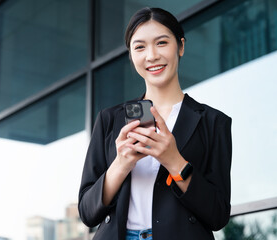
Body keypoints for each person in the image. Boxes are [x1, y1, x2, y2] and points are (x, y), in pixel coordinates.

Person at [78, 7, 232, 240]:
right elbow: (87, 213)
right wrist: (121, 164)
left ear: (180, 46)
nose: (151, 56)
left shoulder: (213, 122)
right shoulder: (109, 120)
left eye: (161, 43)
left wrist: (175, 161)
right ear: (131, 55)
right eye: (140, 47)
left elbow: (218, 215)